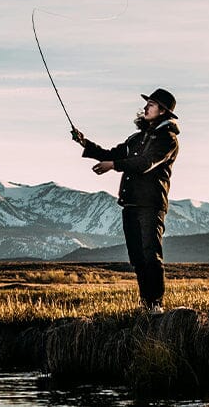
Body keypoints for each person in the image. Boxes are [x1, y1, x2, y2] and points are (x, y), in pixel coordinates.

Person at [71, 88, 180, 314]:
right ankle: (146, 304)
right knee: (137, 257)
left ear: (163, 111)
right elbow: (112, 153)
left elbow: (145, 163)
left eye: (151, 104)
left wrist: (113, 166)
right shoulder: (136, 138)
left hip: (151, 204)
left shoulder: (168, 139)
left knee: (151, 254)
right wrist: (84, 143)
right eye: (147, 103)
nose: (146, 107)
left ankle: (156, 305)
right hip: (130, 203)